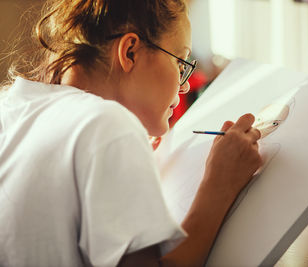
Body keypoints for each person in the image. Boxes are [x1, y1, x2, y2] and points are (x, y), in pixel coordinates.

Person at [0, 0, 262, 266]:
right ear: (130, 52)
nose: (183, 88)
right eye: (180, 63)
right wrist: (219, 185)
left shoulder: (9, 105)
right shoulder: (106, 125)